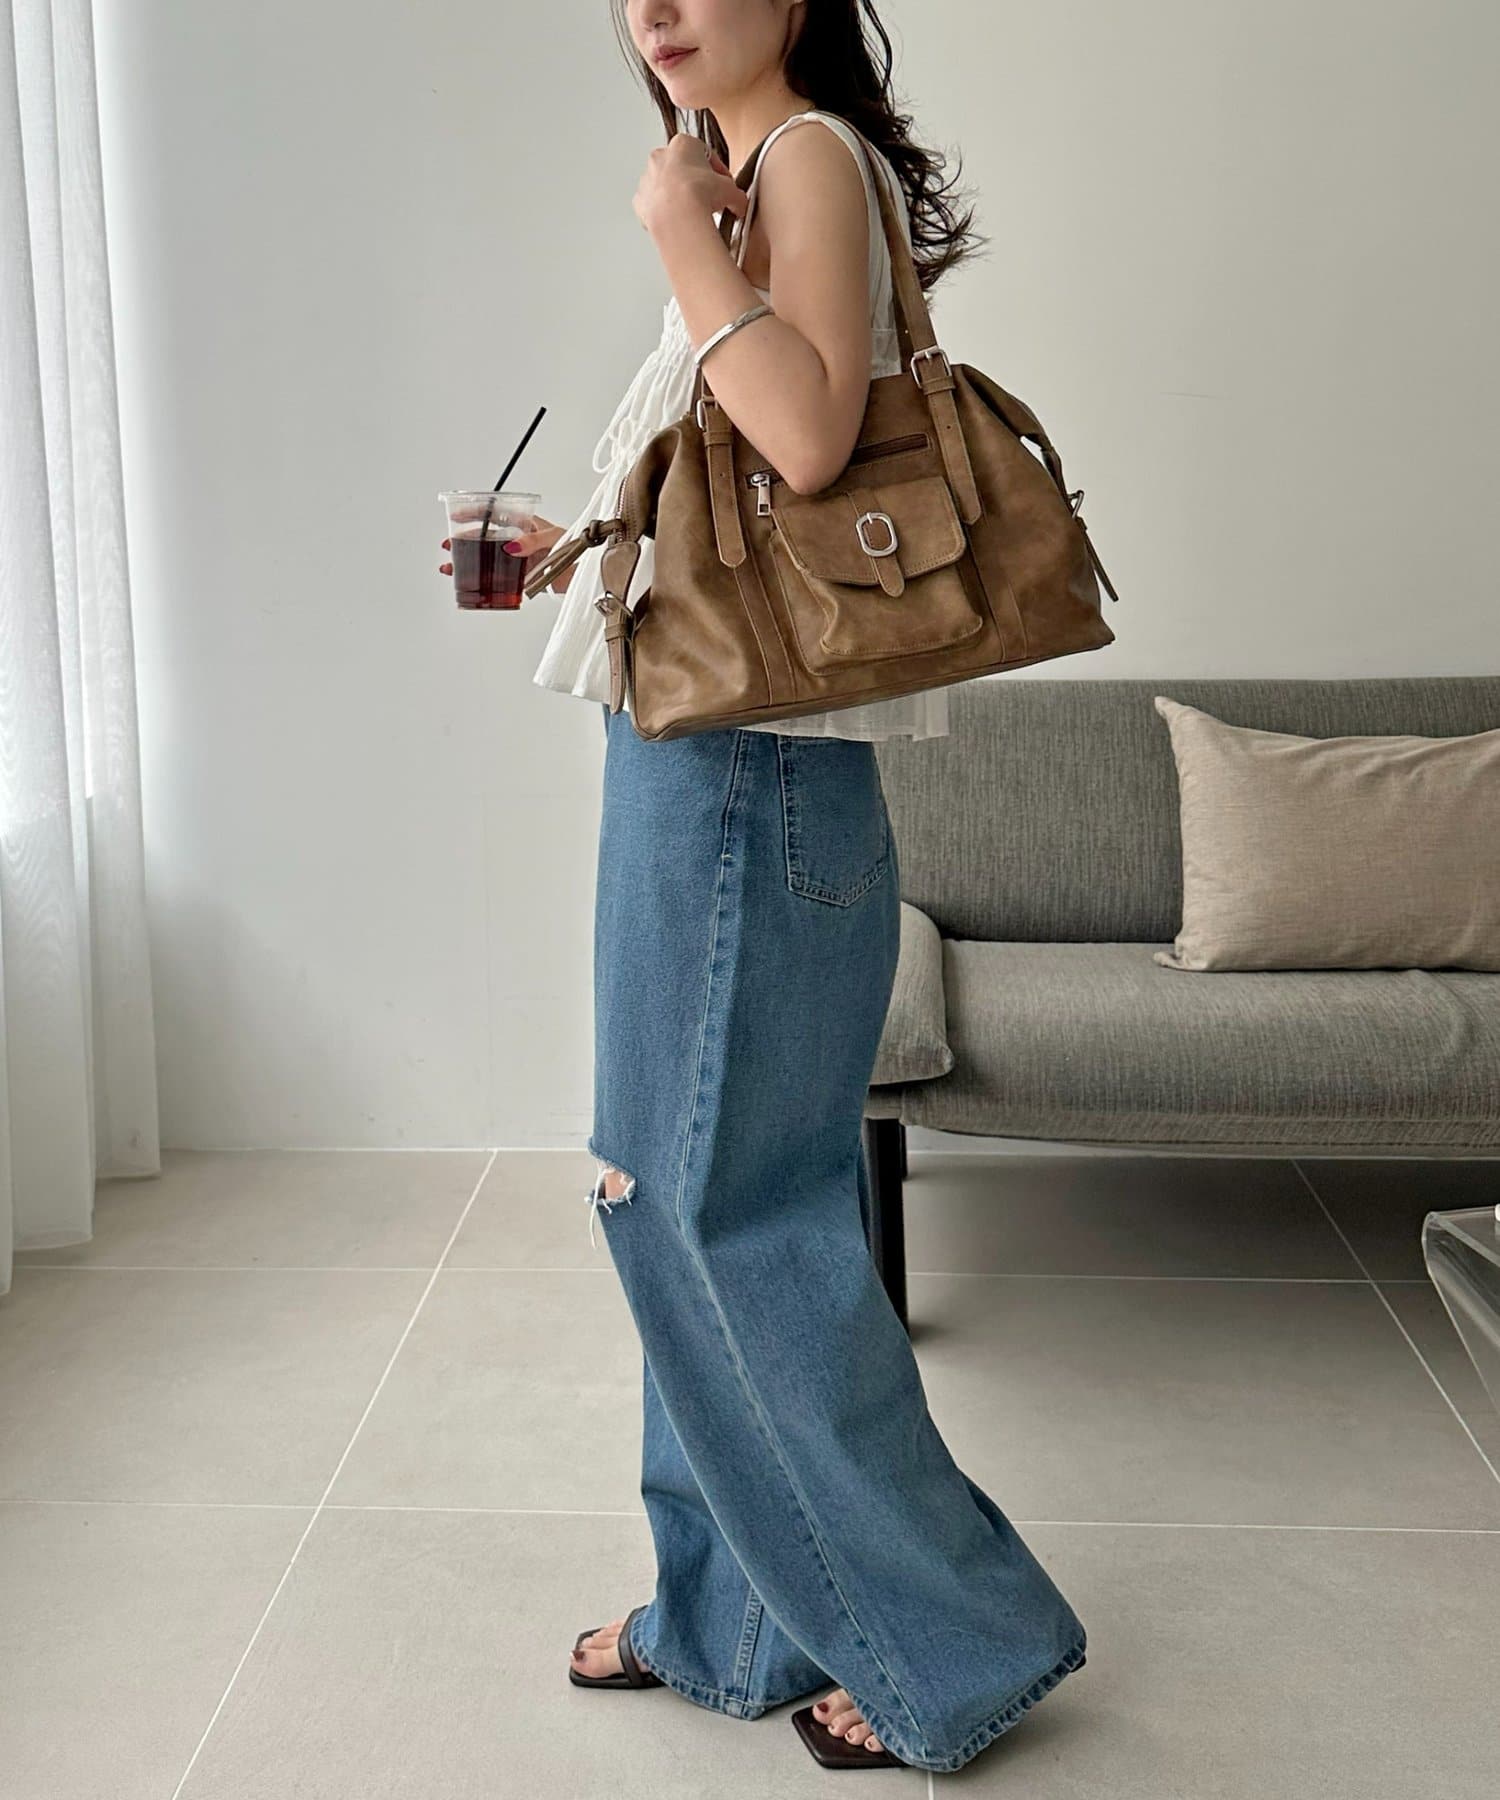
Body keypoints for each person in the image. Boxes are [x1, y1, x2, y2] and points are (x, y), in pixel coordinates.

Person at [440, 1, 1087, 1775]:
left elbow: (805, 443)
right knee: (701, 1196)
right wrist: (580, 552)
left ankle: (959, 1636)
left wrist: (675, 232)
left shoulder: (796, 157)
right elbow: (738, 468)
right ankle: (730, 1616)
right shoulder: (758, 168)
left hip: (741, 769)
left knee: (705, 1205)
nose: (654, 10)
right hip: (718, 753)